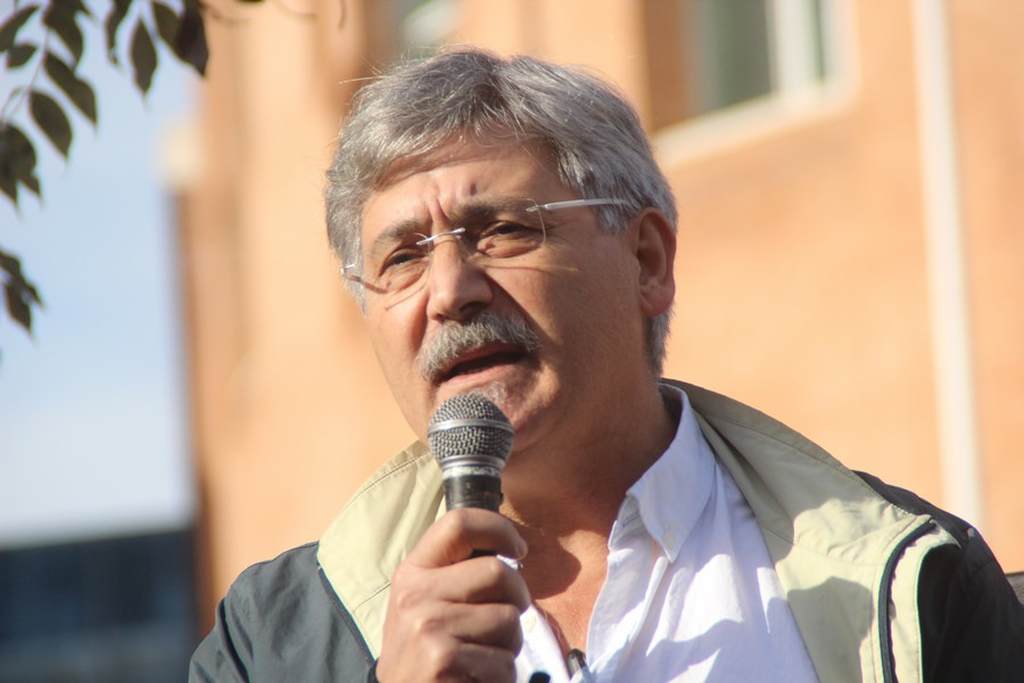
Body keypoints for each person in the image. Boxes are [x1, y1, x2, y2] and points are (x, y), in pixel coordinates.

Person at [190, 48, 1023, 682]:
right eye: (402, 256)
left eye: (502, 229)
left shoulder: (910, 582)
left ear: (648, 261)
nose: (450, 290)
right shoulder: (271, 642)